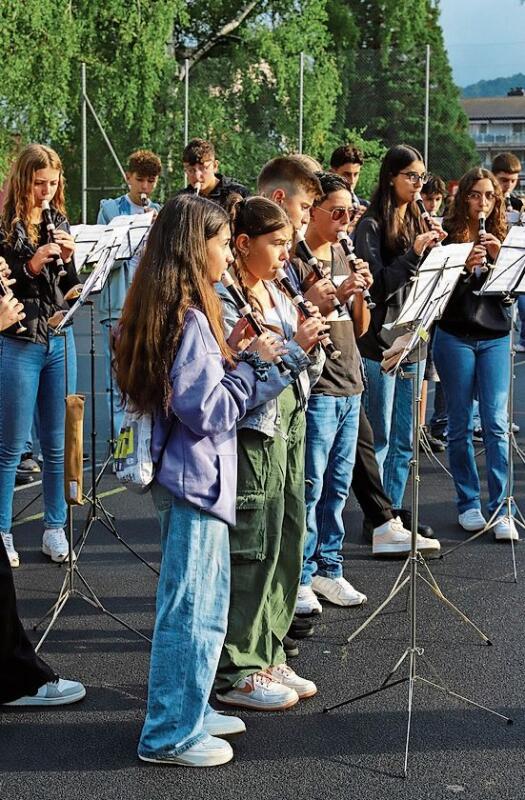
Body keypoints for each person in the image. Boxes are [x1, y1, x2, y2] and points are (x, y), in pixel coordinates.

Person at [115, 193, 283, 767]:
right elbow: (207, 410)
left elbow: (192, 389)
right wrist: (262, 368)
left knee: (203, 606)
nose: (225, 253)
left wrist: (231, 352)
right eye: (218, 241)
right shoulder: (187, 315)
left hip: (193, 476)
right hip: (194, 480)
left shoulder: (176, 308)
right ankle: (167, 733)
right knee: (191, 610)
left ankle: (190, 709)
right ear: (195, 247)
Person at [215, 196, 327, 711]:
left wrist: (313, 339)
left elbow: (302, 363)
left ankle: (269, 647)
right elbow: (250, 373)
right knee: (253, 543)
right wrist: (300, 345)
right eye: (276, 243)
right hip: (256, 430)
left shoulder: (278, 287)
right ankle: (238, 664)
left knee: (288, 535)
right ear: (243, 244)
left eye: (287, 242)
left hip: (291, 419)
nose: (286, 253)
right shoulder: (228, 295)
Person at [354, 145, 444, 531]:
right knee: (382, 435)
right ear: (391, 177)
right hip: (380, 340)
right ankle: (378, 517)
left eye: (421, 177)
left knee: (407, 438)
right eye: (411, 176)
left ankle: (393, 513)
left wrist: (440, 257)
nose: (418, 184)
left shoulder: (419, 223)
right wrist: (413, 254)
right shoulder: (371, 225)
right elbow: (377, 287)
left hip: (414, 338)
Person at [0, 144, 79, 568]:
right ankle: (2, 532)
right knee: (10, 446)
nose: (46, 192)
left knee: (59, 443)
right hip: (19, 339)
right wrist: (33, 264)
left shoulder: (57, 219)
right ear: (22, 180)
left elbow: (69, 284)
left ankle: (54, 526)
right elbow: (12, 283)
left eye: (53, 183)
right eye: (39, 183)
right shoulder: (4, 224)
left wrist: (71, 268)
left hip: (59, 338)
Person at [433, 167, 516, 540]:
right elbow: (434, 294)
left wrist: (501, 263)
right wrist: (461, 268)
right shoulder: (447, 236)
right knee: (460, 423)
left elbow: (513, 297)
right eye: (475, 194)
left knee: (497, 424)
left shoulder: (507, 236)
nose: (482, 202)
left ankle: (502, 508)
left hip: (496, 335)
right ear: (463, 196)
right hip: (456, 334)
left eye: (488, 195)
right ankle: (468, 502)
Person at [97, 149, 162, 437]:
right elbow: (99, 257)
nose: (145, 187)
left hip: (148, 307)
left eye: (151, 181)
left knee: (145, 377)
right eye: (140, 180)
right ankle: (118, 445)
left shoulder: (159, 211)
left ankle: (143, 442)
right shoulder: (110, 210)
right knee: (116, 380)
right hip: (116, 306)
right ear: (128, 178)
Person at [491, 153, 525, 353]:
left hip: (512, 267)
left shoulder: (518, 204)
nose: (508, 185)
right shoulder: (487, 201)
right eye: (503, 180)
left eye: (513, 181)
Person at [179, 138, 249, 208]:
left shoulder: (238, 193)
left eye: (203, 168)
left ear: (215, 166)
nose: (197, 176)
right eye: (191, 170)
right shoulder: (181, 200)